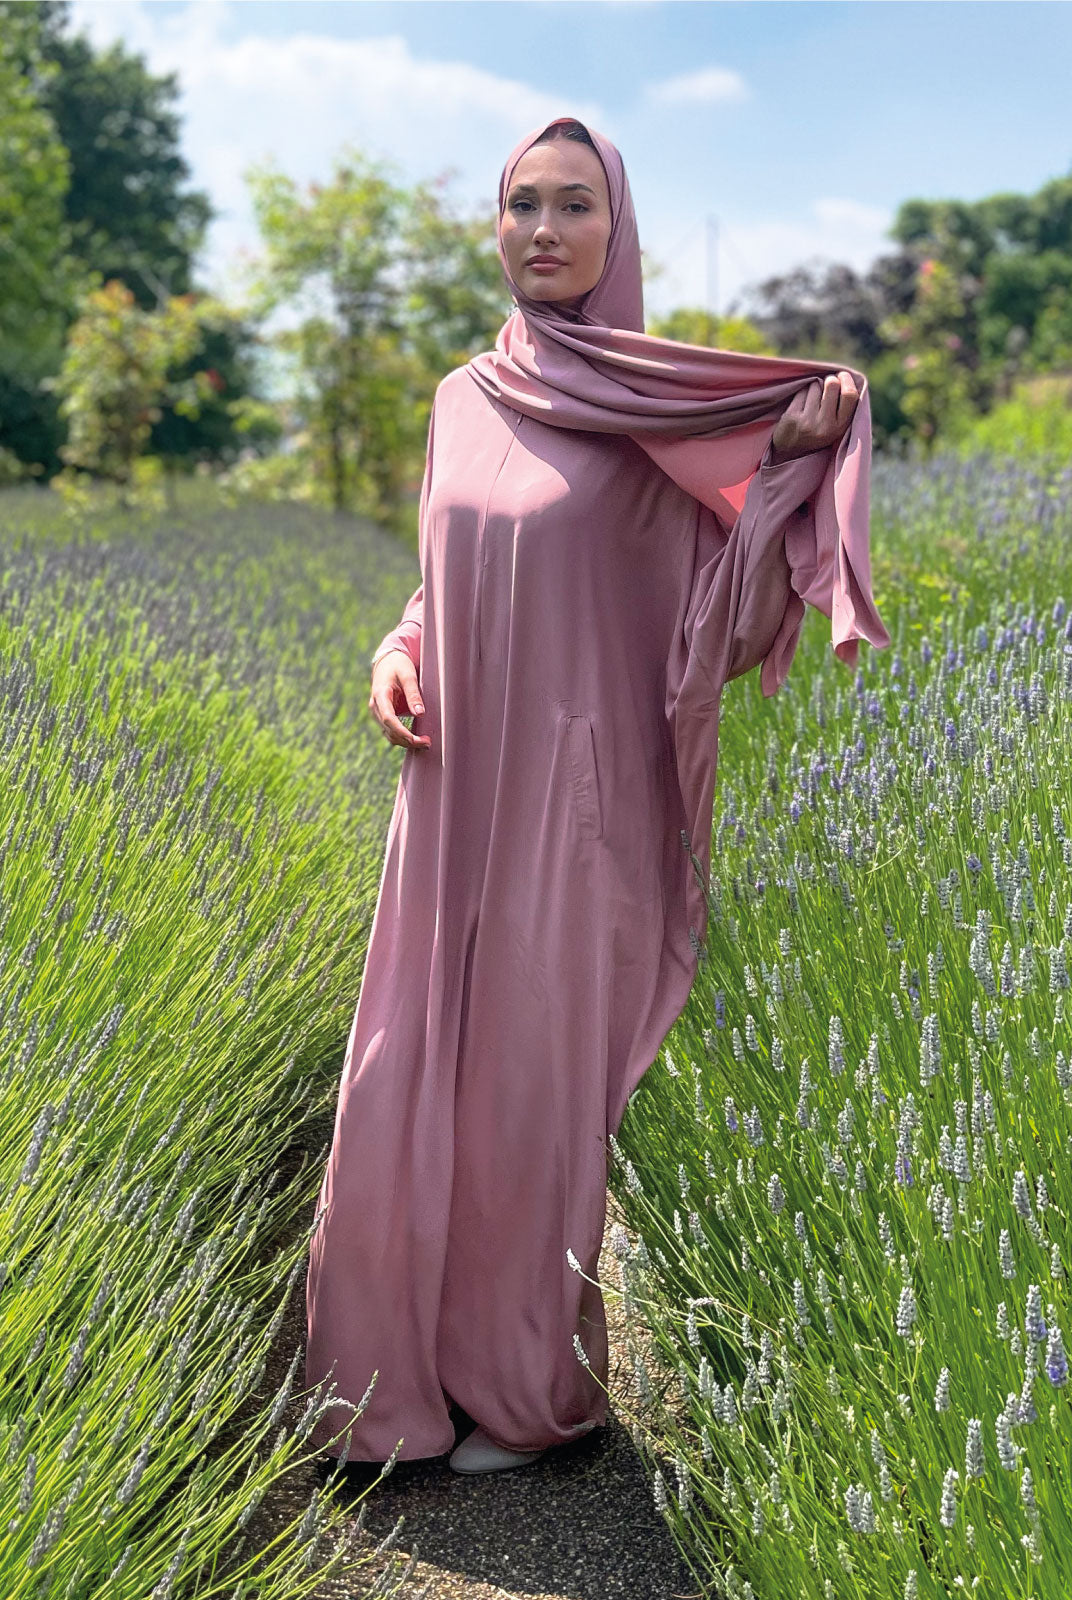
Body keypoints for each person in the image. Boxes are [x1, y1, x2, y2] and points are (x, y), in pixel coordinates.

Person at [304, 115, 890, 1477]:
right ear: (496, 228)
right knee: (397, 1078)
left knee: (527, 1098)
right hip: (448, 802)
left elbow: (720, 619)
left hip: (574, 808)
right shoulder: (462, 397)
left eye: (577, 206)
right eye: (524, 205)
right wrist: (395, 649)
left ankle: (524, 1395)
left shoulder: (652, 412)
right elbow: (442, 574)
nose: (547, 230)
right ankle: (382, 1392)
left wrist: (794, 463)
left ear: (617, 235)